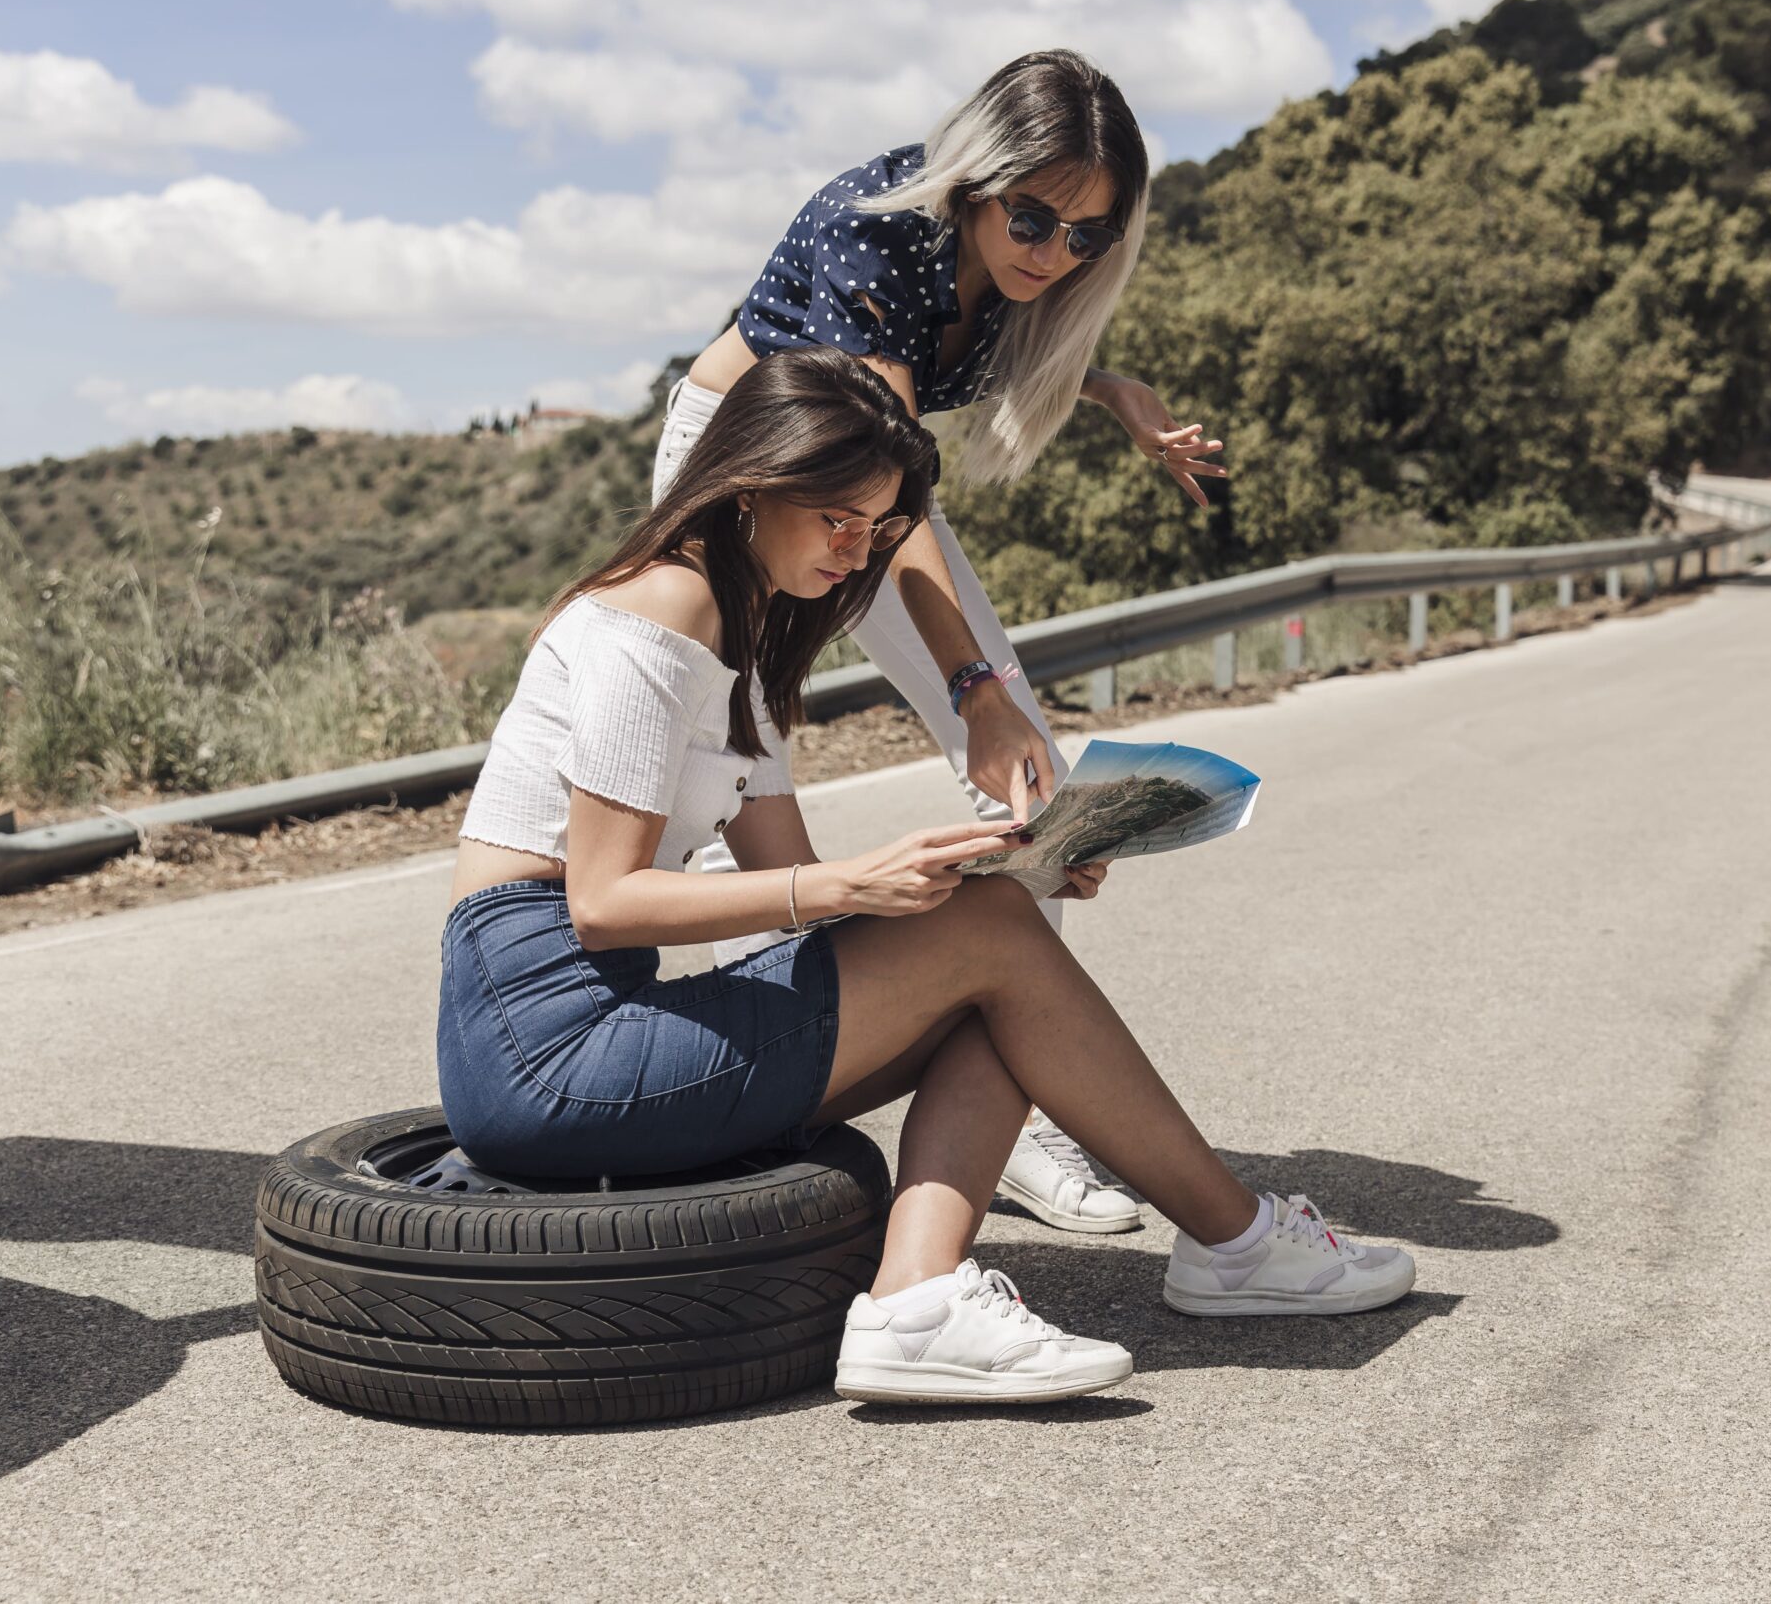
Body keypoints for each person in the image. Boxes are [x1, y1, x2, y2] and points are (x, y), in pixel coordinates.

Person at [446, 349, 1414, 1406]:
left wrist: (998, 868)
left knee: (995, 966)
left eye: (877, 528)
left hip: (601, 1035)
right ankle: (1237, 1243)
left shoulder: (739, 636)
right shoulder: (661, 609)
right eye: (837, 519)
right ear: (753, 483)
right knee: (994, 937)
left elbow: (789, 888)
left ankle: (917, 1300)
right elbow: (602, 903)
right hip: (545, 1051)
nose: (855, 553)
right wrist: (858, 887)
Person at [650, 49, 1222, 1236]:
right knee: (735, 781)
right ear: (973, 181)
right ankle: (752, 1085)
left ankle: (1014, 1093)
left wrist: (1113, 390)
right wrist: (973, 684)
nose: (1053, 254)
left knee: (1026, 776)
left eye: (1087, 236)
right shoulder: (874, 231)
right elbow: (889, 508)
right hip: (745, 457)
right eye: (1032, 219)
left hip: (874, 477)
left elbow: (950, 405)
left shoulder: (1027, 266)